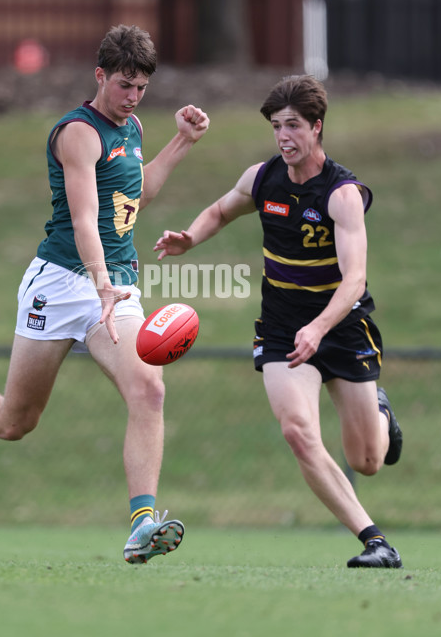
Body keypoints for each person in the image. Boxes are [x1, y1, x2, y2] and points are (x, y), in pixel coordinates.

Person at [0, 24, 210, 564]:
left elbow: (140, 192)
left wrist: (181, 140)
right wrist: (100, 281)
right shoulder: (78, 133)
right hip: (63, 283)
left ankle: (142, 525)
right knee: (15, 421)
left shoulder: (131, 128)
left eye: (141, 88)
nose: (133, 97)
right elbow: (86, 218)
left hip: (115, 287)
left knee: (149, 391)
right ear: (100, 76)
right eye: (124, 85)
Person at [154, 74, 403, 568]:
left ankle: (380, 413)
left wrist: (320, 328)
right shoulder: (262, 178)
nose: (284, 137)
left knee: (367, 461)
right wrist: (190, 238)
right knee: (296, 430)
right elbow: (220, 211)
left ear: (316, 127)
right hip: (283, 330)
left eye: (293, 126)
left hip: (341, 327)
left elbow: (354, 280)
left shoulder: (343, 194)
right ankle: (375, 540)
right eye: (276, 127)